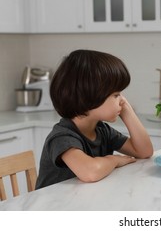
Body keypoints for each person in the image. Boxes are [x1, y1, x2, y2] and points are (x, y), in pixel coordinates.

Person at [36, 49, 153, 189]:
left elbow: (144, 151)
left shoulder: (101, 130)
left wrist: (126, 110)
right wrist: (113, 160)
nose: (122, 100)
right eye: (116, 95)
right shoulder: (62, 136)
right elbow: (90, 172)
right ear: (89, 96)